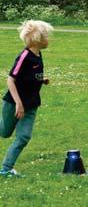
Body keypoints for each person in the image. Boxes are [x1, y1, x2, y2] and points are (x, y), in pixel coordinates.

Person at [0, 20, 53, 177]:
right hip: (14, 104)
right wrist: (18, 103)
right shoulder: (24, 57)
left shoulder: (38, 54)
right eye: (47, 36)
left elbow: (29, 76)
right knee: (5, 132)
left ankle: (6, 169)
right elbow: (10, 80)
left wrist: (41, 79)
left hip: (31, 105)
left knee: (23, 137)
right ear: (38, 39)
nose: (49, 39)